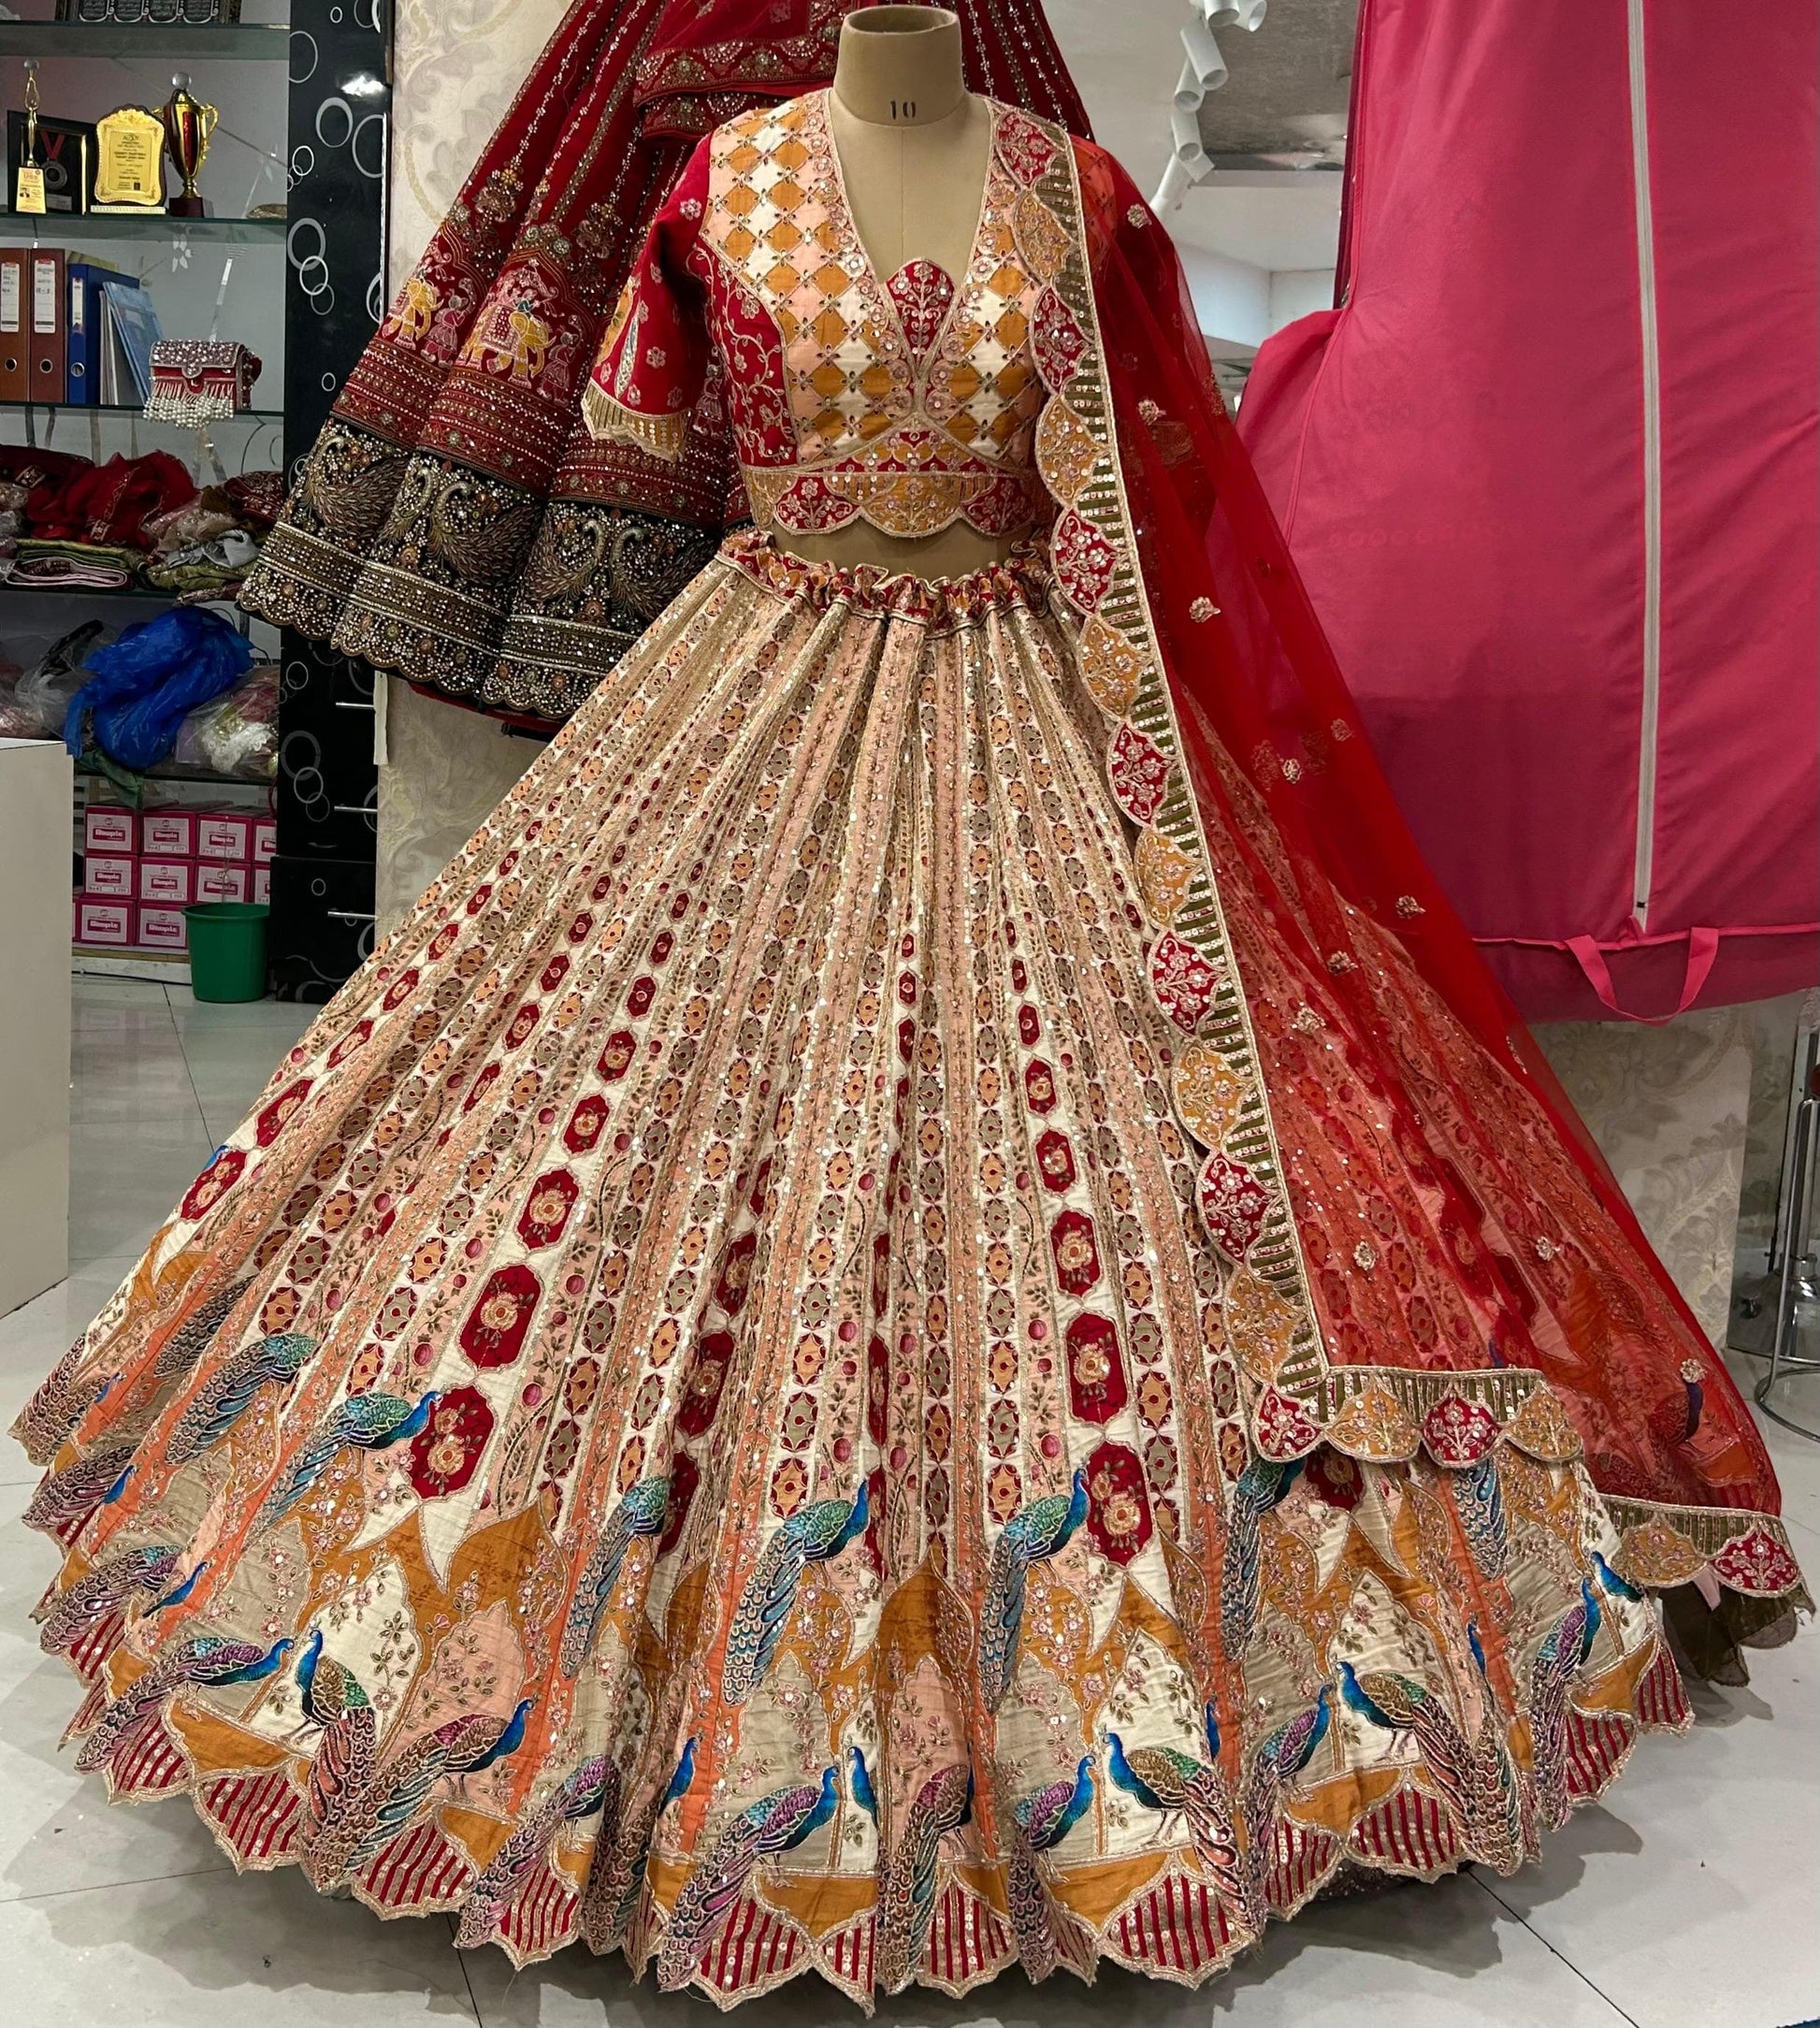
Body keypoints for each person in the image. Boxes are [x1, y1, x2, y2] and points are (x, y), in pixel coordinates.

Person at [19, 6, 1803, 2007]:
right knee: (589, 1140)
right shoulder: (726, 172)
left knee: (1128, 1162)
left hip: (1035, 712)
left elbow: (1165, 500)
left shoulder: (1075, 190)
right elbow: (646, 458)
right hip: (745, 690)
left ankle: (1186, 1716)